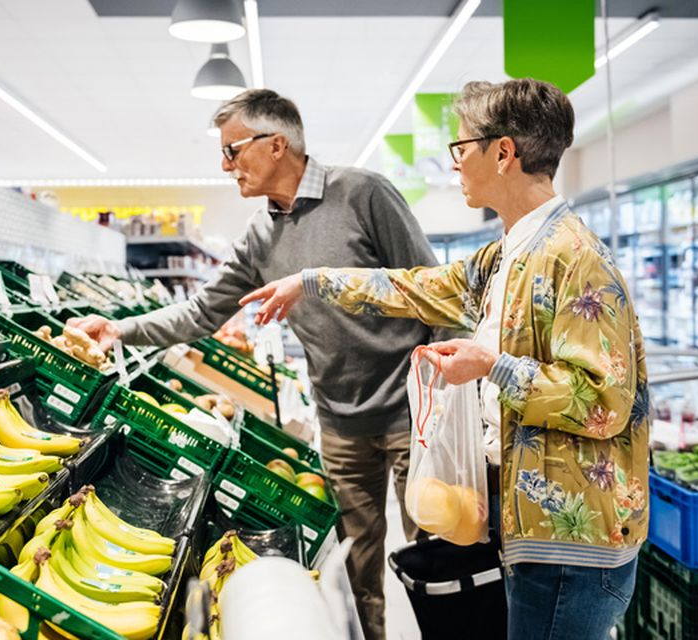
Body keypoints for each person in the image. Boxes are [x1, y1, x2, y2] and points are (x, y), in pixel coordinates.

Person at [240, 78, 649, 640]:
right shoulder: (507, 253)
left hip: (571, 546)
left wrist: (492, 367)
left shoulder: (575, 259)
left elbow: (605, 402)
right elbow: (416, 287)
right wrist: (310, 282)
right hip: (535, 527)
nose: (454, 163)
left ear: (503, 153)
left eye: (460, 148)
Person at [69, 88, 442, 640]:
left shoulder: (363, 193)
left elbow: (432, 288)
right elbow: (200, 312)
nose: (225, 167)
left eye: (232, 150)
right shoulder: (259, 236)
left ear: (276, 144)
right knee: (358, 566)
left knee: (432, 553)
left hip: (411, 408)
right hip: (339, 422)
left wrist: (451, 394)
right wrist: (119, 329)